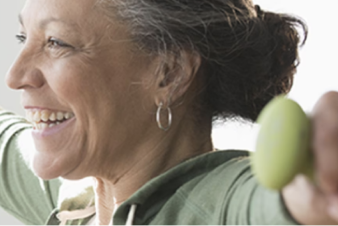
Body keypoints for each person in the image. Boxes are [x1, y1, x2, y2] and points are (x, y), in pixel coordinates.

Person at [1, 0, 338, 225]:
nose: (14, 77)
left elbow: (263, 206)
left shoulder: (218, 202)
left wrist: (308, 196)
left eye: (56, 42)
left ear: (169, 73)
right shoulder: (76, 201)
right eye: (22, 37)